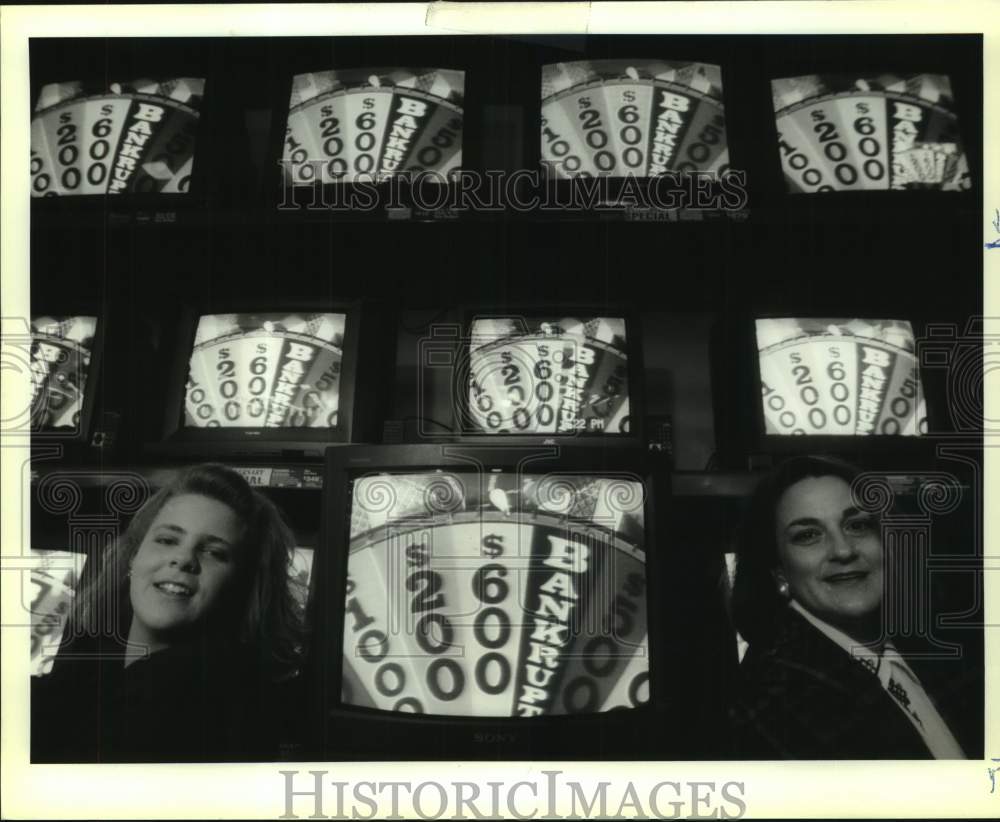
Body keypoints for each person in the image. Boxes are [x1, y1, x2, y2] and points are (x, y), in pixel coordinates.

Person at [31, 463, 307, 763]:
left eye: (214, 552)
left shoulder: (217, 713)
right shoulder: (89, 666)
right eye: (167, 540)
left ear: (241, 587)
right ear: (134, 555)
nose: (183, 558)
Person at [730, 455, 967, 759]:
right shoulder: (774, 699)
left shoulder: (934, 648)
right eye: (808, 535)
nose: (843, 550)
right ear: (778, 571)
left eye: (857, 525)